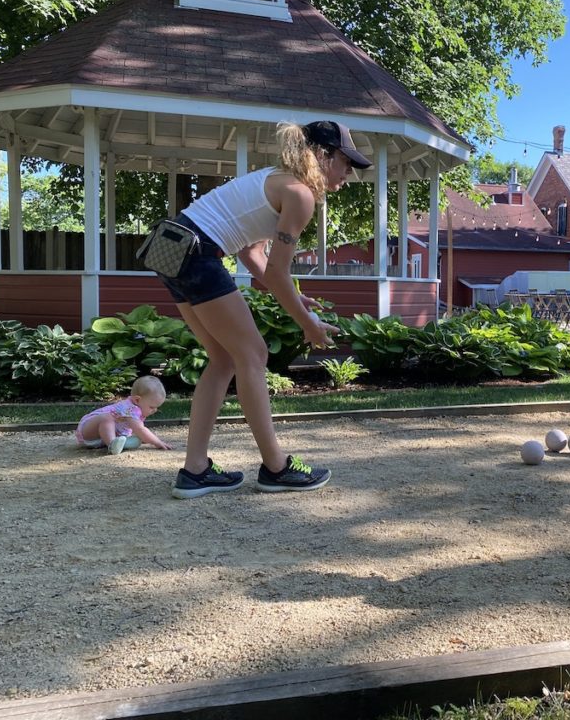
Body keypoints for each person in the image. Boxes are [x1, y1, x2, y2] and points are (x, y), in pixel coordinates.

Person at [155, 120, 370, 499]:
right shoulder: (300, 193)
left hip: (170, 248)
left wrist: (296, 298)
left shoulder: (275, 180)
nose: (349, 172)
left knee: (223, 359)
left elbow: (252, 252)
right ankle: (275, 467)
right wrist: (309, 324)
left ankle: (195, 470)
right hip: (197, 253)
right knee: (253, 354)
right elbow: (276, 270)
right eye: (346, 161)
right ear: (322, 155)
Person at [76, 375, 172, 454]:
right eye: (151, 407)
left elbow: (137, 431)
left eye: (157, 407)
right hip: (88, 429)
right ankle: (112, 445)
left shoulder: (136, 408)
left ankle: (118, 443)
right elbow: (140, 429)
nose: (155, 410)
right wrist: (156, 442)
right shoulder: (131, 409)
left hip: (101, 438)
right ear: (137, 400)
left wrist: (143, 438)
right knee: (107, 418)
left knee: (137, 439)